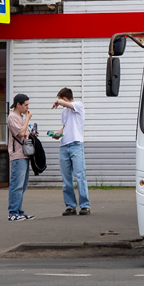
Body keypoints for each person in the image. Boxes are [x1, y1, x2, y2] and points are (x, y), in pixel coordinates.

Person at [52, 88, 89, 216]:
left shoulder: (78, 105)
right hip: (64, 145)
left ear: (65, 99)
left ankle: (85, 205)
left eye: (61, 99)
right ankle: (70, 206)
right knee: (66, 177)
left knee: (80, 176)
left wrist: (58, 102)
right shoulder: (64, 111)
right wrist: (58, 134)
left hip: (76, 144)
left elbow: (67, 104)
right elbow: (65, 126)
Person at [5, 94, 34, 222]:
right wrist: (27, 118)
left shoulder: (20, 117)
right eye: (26, 105)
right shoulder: (12, 117)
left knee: (23, 185)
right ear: (18, 104)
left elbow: (24, 134)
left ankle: (19, 211)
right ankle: (12, 213)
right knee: (16, 185)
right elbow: (20, 133)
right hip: (17, 155)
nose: (27, 107)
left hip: (25, 154)